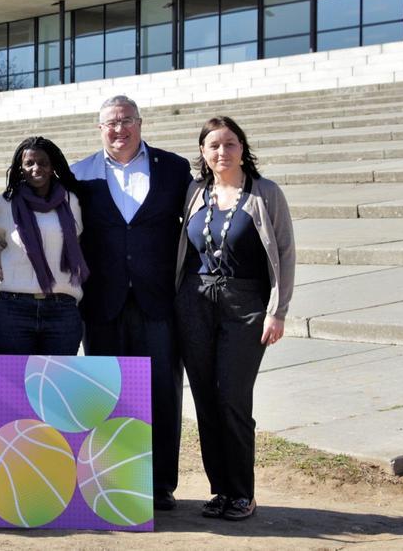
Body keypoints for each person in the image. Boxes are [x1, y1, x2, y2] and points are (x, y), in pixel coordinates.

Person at [71, 94, 192, 512]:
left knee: (162, 392)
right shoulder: (78, 173)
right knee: (106, 397)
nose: (118, 129)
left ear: (140, 123)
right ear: (99, 128)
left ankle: (159, 486)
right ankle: (111, 480)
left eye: (125, 121)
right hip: (101, 304)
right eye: (110, 123)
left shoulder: (174, 169)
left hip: (157, 301)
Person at [174, 116, 294, 522]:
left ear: (242, 147)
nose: (222, 152)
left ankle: (243, 492)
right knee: (206, 399)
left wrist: (277, 311)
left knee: (233, 398)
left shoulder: (265, 194)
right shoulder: (195, 193)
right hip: (195, 302)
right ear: (203, 154)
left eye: (229, 144)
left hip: (245, 305)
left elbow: (285, 253)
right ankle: (221, 490)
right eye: (213, 145)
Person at [0, 136, 88, 355]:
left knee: (56, 387)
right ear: (20, 167)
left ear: (53, 166)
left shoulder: (70, 200)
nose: (36, 168)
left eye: (43, 162)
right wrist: (2, 265)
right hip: (14, 309)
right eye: (29, 163)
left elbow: (78, 241)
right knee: (11, 386)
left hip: (62, 309)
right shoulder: (6, 202)